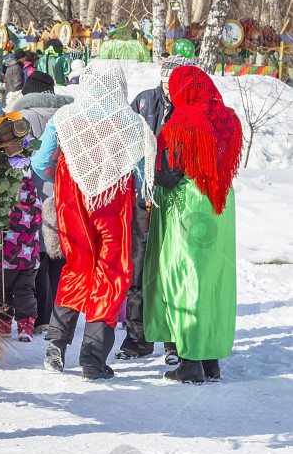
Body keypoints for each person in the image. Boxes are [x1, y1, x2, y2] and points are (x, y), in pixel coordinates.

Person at [32, 61, 156, 380]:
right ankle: (93, 357)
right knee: (111, 272)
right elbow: (143, 174)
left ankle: (57, 342)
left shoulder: (65, 117)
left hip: (72, 197)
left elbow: (41, 161)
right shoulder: (133, 123)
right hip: (113, 201)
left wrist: (58, 172)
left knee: (77, 265)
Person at [143, 66, 242, 384]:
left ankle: (189, 363)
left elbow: (170, 163)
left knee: (183, 277)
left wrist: (157, 175)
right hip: (221, 204)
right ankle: (209, 359)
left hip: (189, 204)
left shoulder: (185, 120)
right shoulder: (228, 119)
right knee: (212, 280)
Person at [118, 53, 195, 361]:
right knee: (137, 272)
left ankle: (173, 342)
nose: (168, 83)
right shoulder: (143, 101)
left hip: (173, 199)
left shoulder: (188, 111)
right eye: (165, 76)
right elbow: (124, 138)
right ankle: (137, 340)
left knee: (168, 272)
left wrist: (165, 175)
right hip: (141, 199)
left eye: (175, 78)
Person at [11, 70, 72, 332]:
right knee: (58, 257)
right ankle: (56, 318)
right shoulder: (70, 116)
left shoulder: (18, 117)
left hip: (29, 198)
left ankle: (37, 317)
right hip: (66, 194)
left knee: (35, 258)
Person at [0, 175, 42, 341]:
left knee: (3, 290)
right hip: (30, 258)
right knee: (26, 290)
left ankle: (4, 325)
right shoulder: (36, 202)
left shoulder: (6, 203)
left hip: (7, 258)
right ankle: (26, 327)